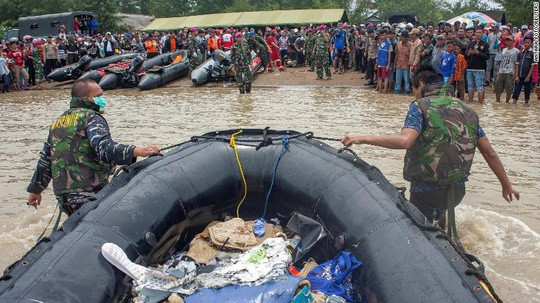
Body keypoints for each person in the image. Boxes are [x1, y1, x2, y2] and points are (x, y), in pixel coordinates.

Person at [341, 66, 519, 233]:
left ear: (420, 85)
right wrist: (506, 185)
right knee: (439, 223)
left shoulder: (420, 106)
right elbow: (490, 152)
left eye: (414, 90)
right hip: (457, 190)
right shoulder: (468, 110)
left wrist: (361, 138)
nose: (415, 95)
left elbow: (405, 140)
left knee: (421, 232)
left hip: (425, 190)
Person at [26, 79, 160, 215]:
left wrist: (36, 190)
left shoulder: (58, 122)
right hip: (88, 192)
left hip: (64, 196)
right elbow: (103, 147)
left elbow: (45, 160)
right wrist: (138, 151)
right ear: (86, 98)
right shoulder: (91, 117)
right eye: (98, 96)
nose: (102, 99)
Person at [466, 28, 490, 103]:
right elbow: (466, 56)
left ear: (482, 34)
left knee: (479, 87)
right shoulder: (471, 43)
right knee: (470, 86)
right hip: (470, 68)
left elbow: (487, 56)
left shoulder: (485, 44)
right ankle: (470, 103)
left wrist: (478, 53)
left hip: (480, 69)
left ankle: (480, 104)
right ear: (474, 33)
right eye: (476, 32)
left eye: (480, 32)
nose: (478, 34)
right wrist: (469, 54)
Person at [494, 35, 519, 103]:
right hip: (501, 71)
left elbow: (516, 64)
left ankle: (506, 103)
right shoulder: (504, 50)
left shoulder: (516, 51)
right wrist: (498, 71)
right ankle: (497, 102)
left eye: (510, 40)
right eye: (507, 40)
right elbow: (501, 62)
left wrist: (516, 75)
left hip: (510, 72)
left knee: (509, 89)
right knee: (498, 88)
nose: (508, 42)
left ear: (513, 41)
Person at [512, 37, 536, 104]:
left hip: (527, 77)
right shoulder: (520, 53)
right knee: (516, 91)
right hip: (519, 76)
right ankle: (514, 104)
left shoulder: (532, 53)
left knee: (527, 92)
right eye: (525, 42)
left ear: (531, 44)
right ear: (523, 43)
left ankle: (526, 104)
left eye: (528, 42)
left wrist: (528, 76)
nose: (527, 44)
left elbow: (532, 65)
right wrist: (516, 75)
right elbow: (517, 65)